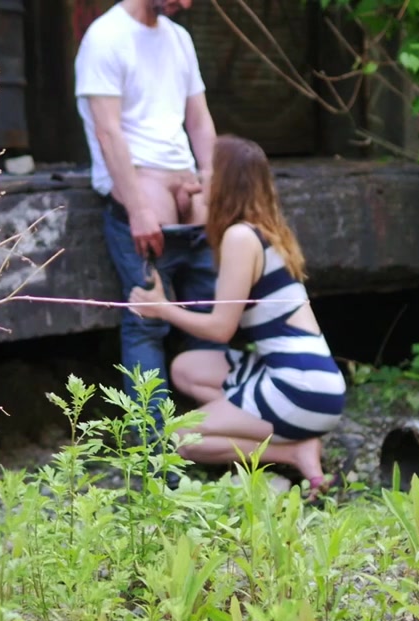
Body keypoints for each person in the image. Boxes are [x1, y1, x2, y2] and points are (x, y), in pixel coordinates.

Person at [127, 134, 347, 501]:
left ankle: (293, 451)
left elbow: (220, 329)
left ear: (225, 181)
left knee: (179, 438)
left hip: (299, 390)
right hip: (316, 382)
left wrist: (162, 308)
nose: (199, 180)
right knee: (187, 368)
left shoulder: (240, 238)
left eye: (206, 172)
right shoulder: (264, 231)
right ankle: (265, 432)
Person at [74, 0, 224, 437]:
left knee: (209, 313)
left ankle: (218, 437)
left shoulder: (179, 38)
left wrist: (211, 181)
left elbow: (199, 119)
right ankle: (152, 450)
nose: (186, 4)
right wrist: (139, 208)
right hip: (141, 204)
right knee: (147, 323)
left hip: (191, 205)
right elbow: (108, 131)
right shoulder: (105, 37)